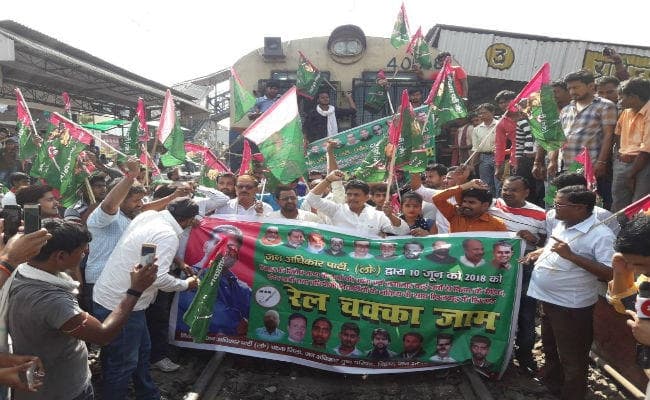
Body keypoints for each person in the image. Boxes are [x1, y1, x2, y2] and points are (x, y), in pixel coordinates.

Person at [6, 219, 157, 400]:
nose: (86, 254)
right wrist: (135, 290)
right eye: (82, 251)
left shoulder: (17, 272)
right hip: (62, 391)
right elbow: (103, 334)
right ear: (60, 256)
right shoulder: (52, 301)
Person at [92, 198, 201, 400]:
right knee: (123, 363)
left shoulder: (149, 217)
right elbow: (157, 278)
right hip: (124, 304)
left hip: (115, 297)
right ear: (188, 220)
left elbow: (146, 262)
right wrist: (186, 284)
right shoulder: (168, 235)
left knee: (141, 352)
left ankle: (148, 395)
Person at [525, 185, 615, 400]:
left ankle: (572, 394)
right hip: (548, 299)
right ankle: (552, 385)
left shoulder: (601, 235)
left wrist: (571, 256)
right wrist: (540, 252)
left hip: (571, 306)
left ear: (579, 208)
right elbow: (555, 247)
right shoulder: (563, 222)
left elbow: (610, 272)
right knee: (550, 346)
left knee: (572, 356)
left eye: (558, 204)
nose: (553, 207)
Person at [548, 70, 617, 209]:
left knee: (584, 206)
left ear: (591, 86)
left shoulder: (605, 106)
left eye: (576, 87)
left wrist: (602, 162)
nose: (572, 91)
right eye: (569, 88)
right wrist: (553, 160)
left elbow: (609, 136)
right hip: (564, 166)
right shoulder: (567, 109)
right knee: (561, 203)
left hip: (588, 166)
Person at [605, 213, 650, 397]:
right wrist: (620, 273)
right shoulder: (646, 279)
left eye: (640, 264)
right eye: (631, 263)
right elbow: (627, 308)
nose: (637, 271)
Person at [183, 224, 251, 336]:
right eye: (219, 244)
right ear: (206, 246)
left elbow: (257, 312)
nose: (225, 251)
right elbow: (203, 309)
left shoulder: (240, 287)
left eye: (232, 249)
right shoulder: (189, 276)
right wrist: (236, 323)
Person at [306, 170, 410, 237]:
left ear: (367, 197)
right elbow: (311, 199)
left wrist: (390, 216)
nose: (352, 198)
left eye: (356, 195)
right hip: (340, 262)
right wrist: (328, 180)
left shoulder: (378, 215)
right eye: (349, 194)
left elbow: (403, 231)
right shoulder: (336, 210)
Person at [611, 78, 650, 212]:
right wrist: (621, 154)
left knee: (639, 204)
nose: (619, 101)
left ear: (634, 97)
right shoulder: (626, 111)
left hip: (644, 164)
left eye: (621, 98)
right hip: (623, 162)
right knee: (618, 202)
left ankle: (635, 227)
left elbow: (646, 150)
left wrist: (631, 174)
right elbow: (618, 132)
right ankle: (618, 226)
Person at [433, 179, 507, 233]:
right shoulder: (455, 214)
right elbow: (436, 199)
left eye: (471, 202)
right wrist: (467, 185)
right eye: (464, 201)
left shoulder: (497, 224)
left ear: (485, 205)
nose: (465, 205)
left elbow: (503, 246)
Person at [470, 103, 500, 197]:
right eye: (480, 113)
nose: (482, 115)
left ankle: (500, 203)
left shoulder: (500, 124)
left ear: (492, 112)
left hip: (499, 157)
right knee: (486, 184)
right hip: (483, 158)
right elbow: (475, 148)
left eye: (484, 113)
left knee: (499, 183)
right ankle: (489, 202)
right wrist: (472, 164)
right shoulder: (477, 129)